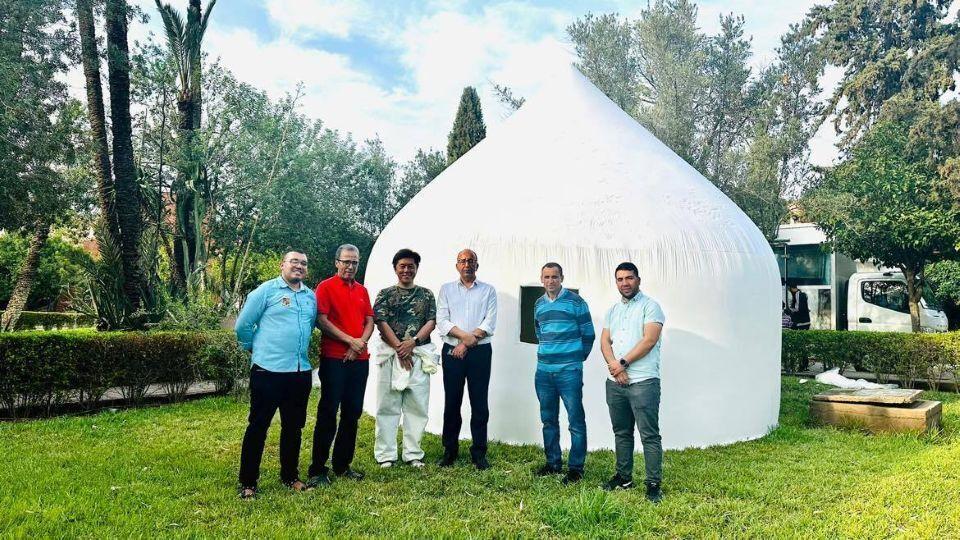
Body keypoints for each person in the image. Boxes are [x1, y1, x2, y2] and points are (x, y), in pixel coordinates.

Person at [235, 251, 317, 499]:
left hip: (299, 372)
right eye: (294, 261)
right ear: (282, 265)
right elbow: (242, 326)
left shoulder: (310, 296)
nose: (299, 266)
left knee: (293, 427)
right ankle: (248, 482)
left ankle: (290, 476)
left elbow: (310, 325)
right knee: (258, 426)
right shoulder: (265, 291)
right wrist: (254, 348)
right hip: (268, 371)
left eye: (303, 263)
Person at [307, 244, 374, 487]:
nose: (350, 266)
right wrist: (349, 341)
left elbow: (370, 321)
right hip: (334, 359)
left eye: (354, 262)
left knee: (352, 413)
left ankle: (342, 465)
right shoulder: (325, 287)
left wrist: (359, 344)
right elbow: (321, 321)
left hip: (360, 360)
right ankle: (317, 469)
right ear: (337, 262)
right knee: (328, 412)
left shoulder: (362, 290)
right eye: (346, 261)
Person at [599, 262, 665, 503]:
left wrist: (623, 363)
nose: (624, 283)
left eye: (629, 278)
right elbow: (605, 342)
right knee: (622, 432)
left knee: (649, 435)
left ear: (638, 279)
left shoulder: (651, 306)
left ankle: (653, 484)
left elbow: (649, 340)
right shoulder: (613, 310)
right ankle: (623, 477)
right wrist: (614, 367)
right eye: (620, 279)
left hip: (643, 381)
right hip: (615, 382)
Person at [373, 248, 437, 468]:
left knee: (417, 406)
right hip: (391, 355)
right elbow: (381, 322)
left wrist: (413, 343)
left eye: (411, 266)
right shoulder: (385, 294)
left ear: (417, 268)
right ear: (395, 268)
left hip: (418, 354)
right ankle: (386, 455)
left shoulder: (426, 294)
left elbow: (431, 321)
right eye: (402, 266)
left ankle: (413, 454)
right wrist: (400, 348)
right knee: (387, 405)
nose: (406, 270)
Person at [532, 262, 595, 484]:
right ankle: (553, 463)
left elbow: (589, 334)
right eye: (547, 277)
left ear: (562, 278)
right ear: (541, 279)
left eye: (555, 277)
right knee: (548, 420)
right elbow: (539, 332)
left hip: (569, 372)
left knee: (575, 421)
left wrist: (575, 358)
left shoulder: (576, 302)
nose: (551, 281)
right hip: (544, 373)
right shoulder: (539, 304)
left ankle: (576, 468)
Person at [436, 248, 498, 470]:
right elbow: (442, 320)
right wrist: (463, 339)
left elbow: (489, 322)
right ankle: (450, 450)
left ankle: (479, 453)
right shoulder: (446, 290)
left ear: (477, 265)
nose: (467, 264)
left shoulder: (488, 290)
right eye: (462, 261)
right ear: (457, 265)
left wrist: (465, 343)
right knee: (452, 402)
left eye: (471, 261)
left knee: (479, 403)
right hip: (452, 352)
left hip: (480, 352)